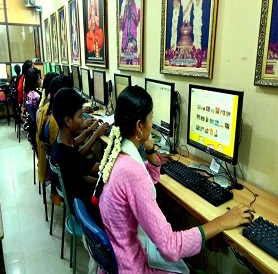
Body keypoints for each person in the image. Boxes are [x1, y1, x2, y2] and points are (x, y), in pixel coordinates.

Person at [95, 86, 255, 273]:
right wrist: (222, 221)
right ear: (139, 125)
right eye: (151, 117)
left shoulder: (118, 153)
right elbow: (171, 247)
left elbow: (150, 181)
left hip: (118, 254)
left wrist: (150, 149)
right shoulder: (131, 171)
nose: (152, 122)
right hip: (130, 265)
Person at [51, 88, 108, 220]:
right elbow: (103, 169)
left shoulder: (59, 143)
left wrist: (91, 131)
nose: (83, 120)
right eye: (80, 116)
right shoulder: (69, 157)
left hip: (77, 200)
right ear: (68, 121)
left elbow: (81, 173)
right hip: (85, 210)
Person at [120, 0, 139, 64]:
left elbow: (137, 22)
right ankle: (127, 61)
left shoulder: (135, 7)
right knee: (127, 47)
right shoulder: (125, 7)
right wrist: (125, 15)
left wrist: (133, 16)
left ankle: (131, 61)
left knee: (132, 46)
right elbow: (123, 20)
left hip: (133, 31)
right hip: (126, 30)